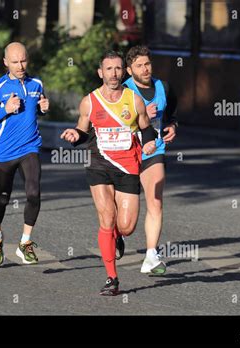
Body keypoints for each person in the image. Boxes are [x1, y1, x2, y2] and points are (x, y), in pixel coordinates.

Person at [61, 51, 157, 296]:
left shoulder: (134, 100)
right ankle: (111, 278)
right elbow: (82, 130)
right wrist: (75, 136)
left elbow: (147, 129)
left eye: (117, 69)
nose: (113, 74)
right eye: (108, 69)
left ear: (123, 71)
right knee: (106, 217)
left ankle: (118, 235)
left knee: (126, 226)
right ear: (100, 72)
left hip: (127, 167)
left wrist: (148, 143)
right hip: (99, 165)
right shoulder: (90, 101)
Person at [0, 42, 49, 266]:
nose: (20, 65)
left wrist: (43, 108)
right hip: (5, 152)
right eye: (15, 62)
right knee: (3, 197)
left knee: (34, 193)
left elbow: (36, 109)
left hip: (30, 147)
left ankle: (25, 242)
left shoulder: (36, 84)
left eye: (24, 60)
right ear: (5, 62)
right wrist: (4, 109)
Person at [123, 45, 178, 275]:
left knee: (155, 201)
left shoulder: (163, 87)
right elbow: (112, 122)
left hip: (153, 151)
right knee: (126, 224)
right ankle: (117, 235)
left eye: (147, 64)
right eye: (139, 66)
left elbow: (172, 114)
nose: (145, 69)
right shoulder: (123, 91)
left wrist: (173, 126)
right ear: (129, 70)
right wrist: (141, 113)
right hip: (125, 153)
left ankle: (151, 255)